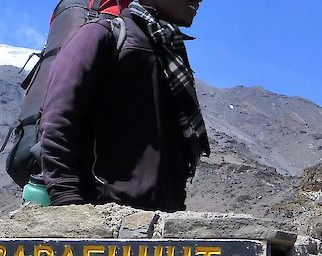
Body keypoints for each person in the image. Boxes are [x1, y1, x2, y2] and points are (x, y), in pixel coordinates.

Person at [39, 0, 210, 212]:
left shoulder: (170, 58)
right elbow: (58, 122)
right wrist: (68, 205)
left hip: (159, 222)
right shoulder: (102, 34)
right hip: (101, 215)